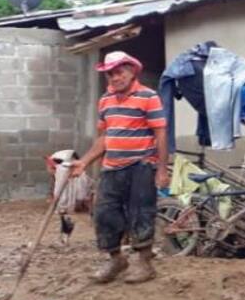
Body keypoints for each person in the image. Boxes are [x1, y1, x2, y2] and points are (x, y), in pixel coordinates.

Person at [70, 51, 170, 285]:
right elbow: (105, 137)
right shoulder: (105, 100)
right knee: (104, 213)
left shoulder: (148, 96)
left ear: (132, 71)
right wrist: (84, 162)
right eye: (110, 74)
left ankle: (144, 264)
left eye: (119, 72)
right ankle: (116, 260)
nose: (115, 78)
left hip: (141, 165)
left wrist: (162, 169)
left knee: (141, 212)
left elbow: (161, 134)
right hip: (112, 167)